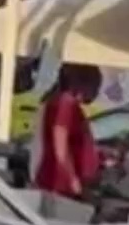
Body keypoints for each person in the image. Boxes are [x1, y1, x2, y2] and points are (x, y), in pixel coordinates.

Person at [33, 63, 102, 199]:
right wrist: (72, 180)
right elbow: (60, 146)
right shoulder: (66, 104)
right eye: (96, 86)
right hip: (60, 186)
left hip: (63, 184)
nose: (97, 92)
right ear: (83, 83)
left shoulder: (66, 104)